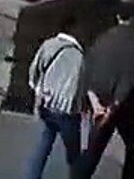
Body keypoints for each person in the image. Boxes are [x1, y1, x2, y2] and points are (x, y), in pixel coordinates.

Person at [73, 1, 134, 179]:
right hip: (124, 107)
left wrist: (95, 104)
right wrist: (112, 108)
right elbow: (131, 79)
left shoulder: (102, 40)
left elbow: (86, 71)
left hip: (98, 103)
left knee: (92, 152)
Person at [22, 14, 86, 179]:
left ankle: (32, 176)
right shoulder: (77, 54)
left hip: (47, 105)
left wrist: (40, 91)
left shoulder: (48, 45)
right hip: (67, 111)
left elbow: (34, 72)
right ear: (72, 28)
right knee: (74, 155)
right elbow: (78, 84)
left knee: (44, 144)